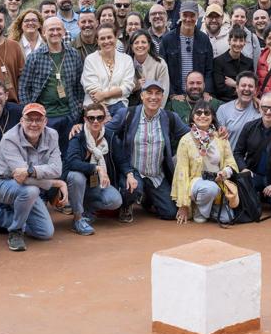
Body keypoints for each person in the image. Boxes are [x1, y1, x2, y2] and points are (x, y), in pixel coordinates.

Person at [0, 103, 67, 251]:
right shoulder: (9, 138)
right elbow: (21, 178)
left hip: (28, 185)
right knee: (31, 191)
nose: (33, 124)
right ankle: (16, 231)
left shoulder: (52, 135)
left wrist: (30, 170)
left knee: (45, 232)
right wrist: (55, 183)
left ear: (45, 122)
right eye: (29, 119)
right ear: (21, 121)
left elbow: (57, 169)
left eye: (38, 120)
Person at [115, 80, 188, 221]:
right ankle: (126, 205)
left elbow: (189, 134)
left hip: (156, 175)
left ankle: (147, 200)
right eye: (149, 93)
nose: (153, 97)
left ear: (162, 97)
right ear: (142, 96)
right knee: (133, 188)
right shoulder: (127, 114)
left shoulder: (170, 117)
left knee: (170, 213)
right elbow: (107, 132)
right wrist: (82, 128)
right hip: (133, 172)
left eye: (158, 93)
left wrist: (212, 133)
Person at [64, 104, 131, 235]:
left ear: (105, 119)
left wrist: (129, 174)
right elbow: (71, 162)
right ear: (85, 119)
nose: (95, 121)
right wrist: (96, 168)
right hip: (80, 184)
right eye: (91, 118)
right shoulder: (78, 137)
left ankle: (87, 209)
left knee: (115, 200)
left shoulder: (110, 137)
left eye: (99, 118)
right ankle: (77, 218)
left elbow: (121, 160)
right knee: (76, 177)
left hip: (97, 184)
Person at [20, 15, 84, 150]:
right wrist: (30, 113)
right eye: (51, 30)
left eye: (58, 29)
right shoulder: (34, 57)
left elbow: (79, 87)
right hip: (44, 116)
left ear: (64, 31)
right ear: (43, 32)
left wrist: (77, 110)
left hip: (69, 114)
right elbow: (24, 87)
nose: (55, 33)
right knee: (46, 153)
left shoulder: (73, 55)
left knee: (68, 152)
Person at [172, 101, 238, 224]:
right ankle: (200, 211)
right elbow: (181, 173)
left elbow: (231, 162)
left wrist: (225, 172)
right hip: (196, 183)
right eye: (198, 112)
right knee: (209, 188)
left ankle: (210, 208)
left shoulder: (221, 138)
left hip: (218, 182)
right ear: (193, 116)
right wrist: (183, 205)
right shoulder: (185, 140)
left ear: (212, 117)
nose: (203, 116)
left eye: (207, 113)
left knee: (227, 219)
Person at [81, 24, 135, 114]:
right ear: (97, 41)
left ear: (116, 38)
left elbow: (127, 87)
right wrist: (104, 113)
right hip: (95, 107)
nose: (106, 41)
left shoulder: (126, 59)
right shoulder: (90, 60)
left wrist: (104, 95)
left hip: (120, 106)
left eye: (109, 37)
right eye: (102, 38)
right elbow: (92, 89)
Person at [212, 26, 254, 103]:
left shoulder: (249, 63)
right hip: (223, 102)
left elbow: (251, 86)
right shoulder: (218, 61)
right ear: (229, 41)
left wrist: (235, 84)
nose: (238, 44)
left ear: (244, 43)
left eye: (241, 41)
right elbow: (220, 89)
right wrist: (242, 89)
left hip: (244, 102)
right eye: (235, 40)